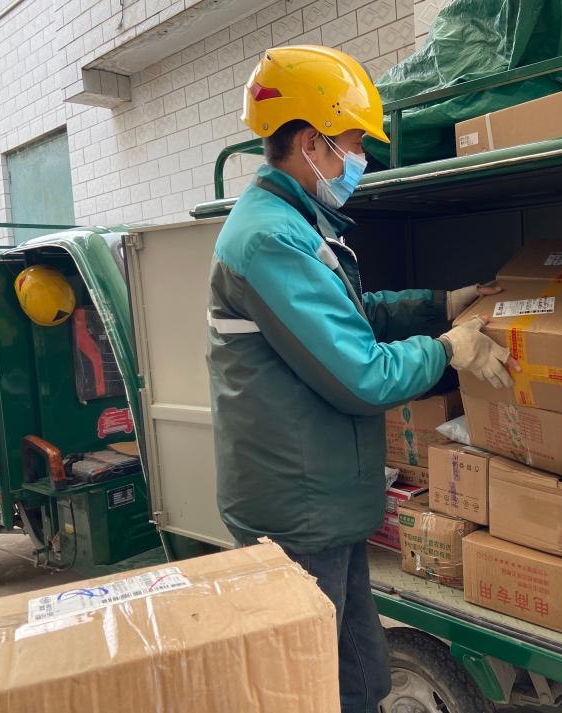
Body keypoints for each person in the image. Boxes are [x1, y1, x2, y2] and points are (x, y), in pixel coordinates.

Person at [207, 45, 518, 712]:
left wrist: (440, 302)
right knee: (313, 688)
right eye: (352, 143)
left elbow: (349, 316)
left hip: (321, 501)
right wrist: (448, 350)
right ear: (311, 143)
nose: (360, 159)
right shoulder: (268, 239)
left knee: (360, 676)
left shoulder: (295, 225)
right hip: (295, 512)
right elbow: (359, 374)